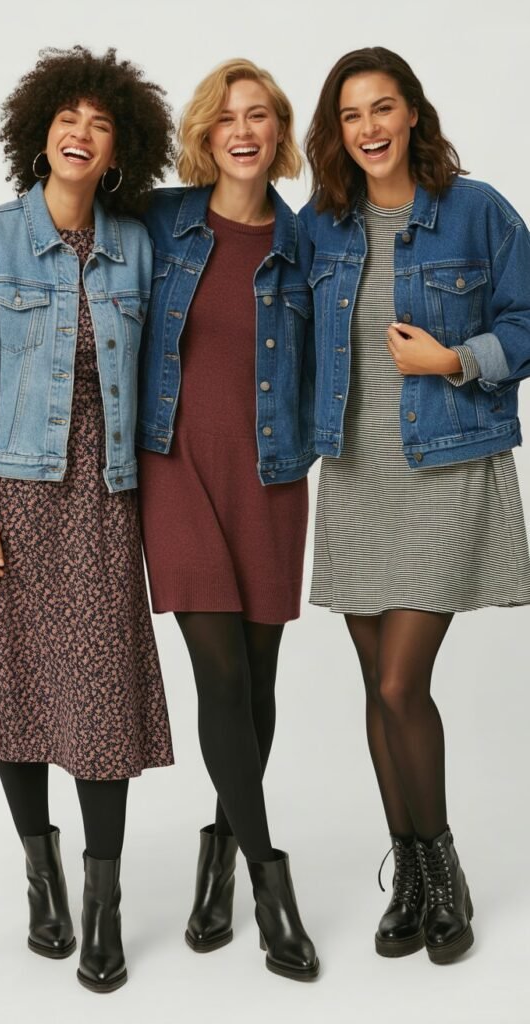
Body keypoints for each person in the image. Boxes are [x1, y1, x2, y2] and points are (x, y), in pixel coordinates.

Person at [301, 46, 530, 965]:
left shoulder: (474, 210)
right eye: (352, 115)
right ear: (338, 131)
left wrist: (454, 360)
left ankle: (446, 877)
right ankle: (411, 873)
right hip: (356, 471)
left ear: (412, 114)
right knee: (377, 689)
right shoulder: (323, 225)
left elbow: (526, 318)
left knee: (402, 683)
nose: (369, 129)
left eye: (383, 108)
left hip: (444, 465)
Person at [0, 46, 175, 993]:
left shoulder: (139, 244)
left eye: (100, 122)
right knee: (14, 694)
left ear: (120, 147)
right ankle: (42, 880)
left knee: (99, 703)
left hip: (102, 498)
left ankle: (103, 903)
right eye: (67, 119)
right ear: (39, 134)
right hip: (9, 496)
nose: (81, 133)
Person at [136, 59, 319, 981]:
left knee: (255, 681)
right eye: (224, 120)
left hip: (272, 477)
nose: (241, 132)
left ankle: (217, 856)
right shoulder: (163, 220)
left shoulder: (310, 240)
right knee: (217, 674)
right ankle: (268, 879)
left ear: (279, 133)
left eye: (259, 118)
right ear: (204, 136)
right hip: (172, 467)